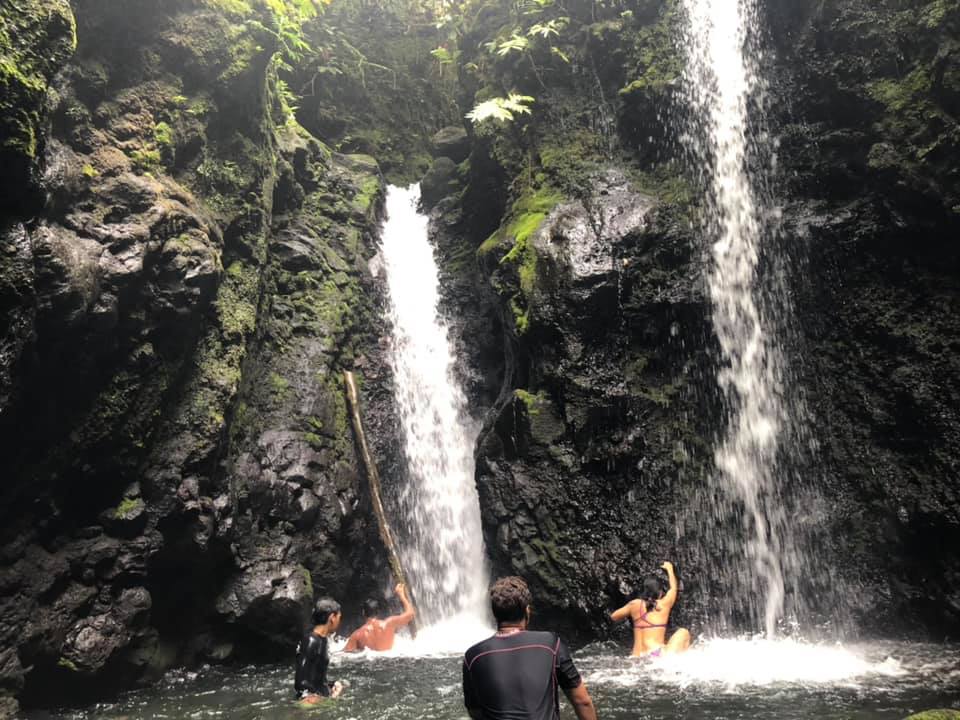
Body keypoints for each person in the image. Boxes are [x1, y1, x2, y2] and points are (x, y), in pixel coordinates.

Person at [462, 576, 597, 720]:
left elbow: (475, 711)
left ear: (495, 614)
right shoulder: (550, 643)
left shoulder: (473, 656)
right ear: (527, 611)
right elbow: (582, 701)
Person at [610, 560, 691, 657]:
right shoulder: (663, 605)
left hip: (637, 656)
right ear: (660, 593)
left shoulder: (634, 604)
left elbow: (614, 617)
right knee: (684, 632)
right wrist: (670, 569)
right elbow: (673, 589)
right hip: (655, 654)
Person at [294, 597, 344, 704]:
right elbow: (300, 683)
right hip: (309, 704)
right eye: (339, 617)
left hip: (320, 698)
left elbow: (315, 678)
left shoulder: (323, 639)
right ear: (332, 618)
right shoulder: (310, 641)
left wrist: (332, 684)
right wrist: (322, 700)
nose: (340, 621)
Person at [343, 582, 416, 652]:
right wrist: (402, 595)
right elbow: (410, 614)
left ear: (363, 613)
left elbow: (344, 653)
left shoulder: (357, 635)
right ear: (378, 612)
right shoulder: (390, 623)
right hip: (389, 657)